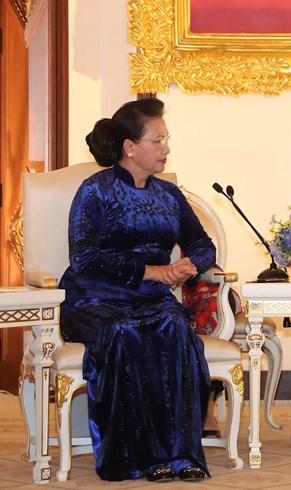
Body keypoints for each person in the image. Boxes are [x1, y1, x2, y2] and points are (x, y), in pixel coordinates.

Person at [59, 98, 216, 482]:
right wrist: (153, 271)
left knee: (175, 329)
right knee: (124, 332)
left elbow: (203, 244)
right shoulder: (96, 190)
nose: (166, 149)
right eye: (158, 140)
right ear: (130, 146)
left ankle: (181, 454)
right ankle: (138, 457)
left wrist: (187, 266)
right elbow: (84, 257)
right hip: (94, 298)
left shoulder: (169, 194)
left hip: (151, 299)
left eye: (166, 140)